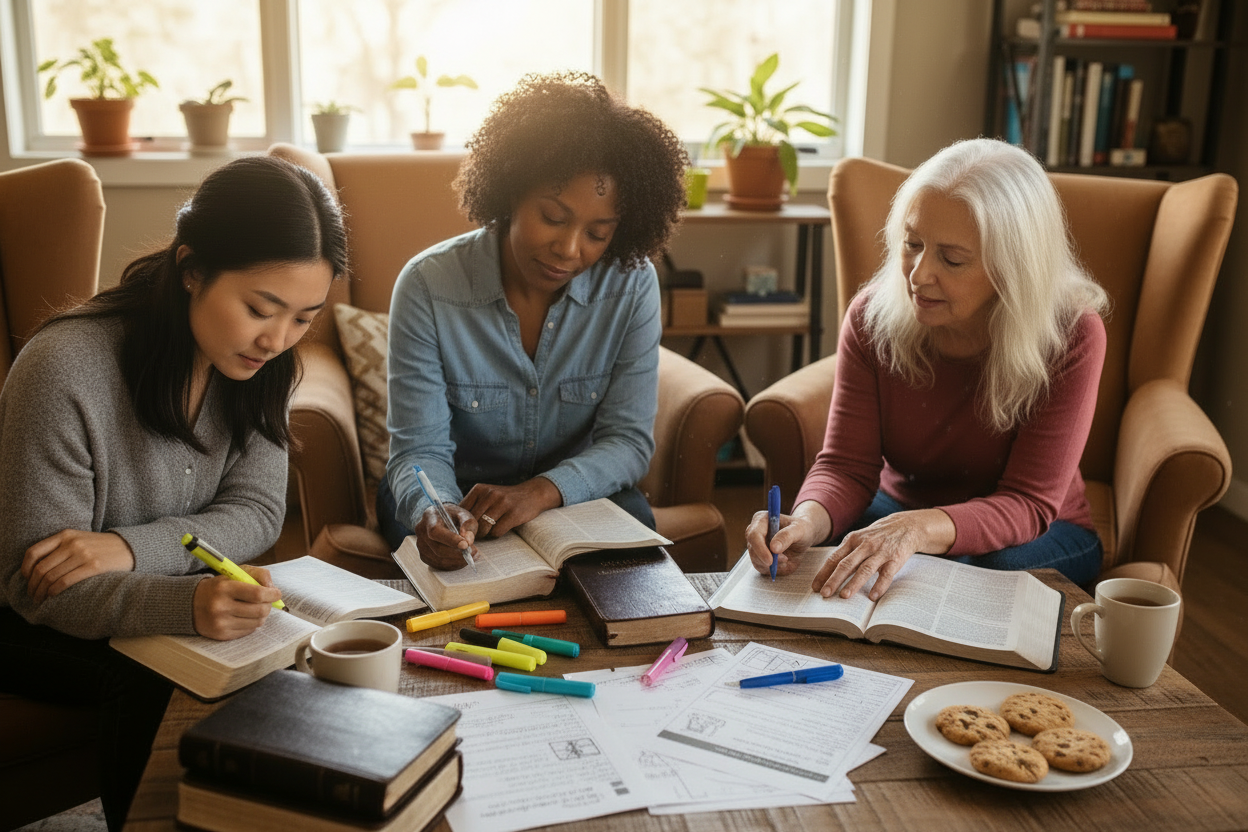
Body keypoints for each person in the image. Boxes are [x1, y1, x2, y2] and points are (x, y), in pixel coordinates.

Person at [0, 155, 347, 831]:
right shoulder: (64, 369)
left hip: (116, 580)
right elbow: (37, 583)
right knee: (156, 680)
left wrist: (128, 549)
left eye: (304, 317)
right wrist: (183, 601)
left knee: (284, 659)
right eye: (260, 308)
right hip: (17, 616)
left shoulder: (260, 368)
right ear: (192, 269)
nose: (277, 340)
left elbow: (257, 511)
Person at [746, 138, 1109, 601]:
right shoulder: (870, 317)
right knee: (837, 550)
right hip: (899, 507)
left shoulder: (1072, 334)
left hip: (1045, 528)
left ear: (1012, 266)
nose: (917, 275)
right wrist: (807, 520)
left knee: (981, 570)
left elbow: (1029, 503)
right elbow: (845, 467)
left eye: (952, 259)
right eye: (912, 244)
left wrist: (919, 531)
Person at [376, 71, 688, 568]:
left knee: (634, 552)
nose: (568, 249)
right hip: (453, 495)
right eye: (553, 217)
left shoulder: (632, 285)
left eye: (597, 233)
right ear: (511, 193)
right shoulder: (428, 285)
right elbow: (419, 449)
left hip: (572, 493)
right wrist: (437, 510)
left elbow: (626, 443)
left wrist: (541, 492)